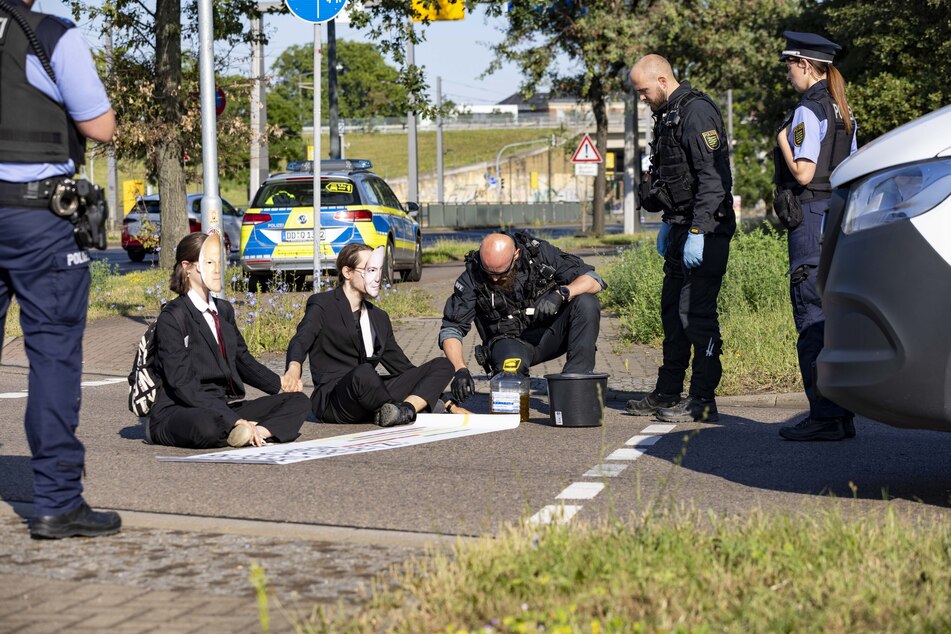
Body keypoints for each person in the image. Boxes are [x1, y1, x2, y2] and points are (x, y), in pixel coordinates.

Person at [0, 0, 119, 539]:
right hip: (36, 218)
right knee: (51, 353)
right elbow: (100, 127)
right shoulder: (50, 34)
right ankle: (56, 501)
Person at [625, 54, 736, 423]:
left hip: (706, 230)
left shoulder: (696, 112)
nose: (641, 98)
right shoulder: (668, 115)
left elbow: (714, 179)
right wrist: (670, 222)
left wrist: (698, 231)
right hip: (680, 225)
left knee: (696, 316)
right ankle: (667, 391)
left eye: (643, 91)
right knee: (673, 315)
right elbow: (674, 178)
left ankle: (703, 399)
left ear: (661, 80)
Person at [148, 233, 310, 448]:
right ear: (187, 267)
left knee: (298, 401)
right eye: (208, 262)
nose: (217, 269)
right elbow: (182, 384)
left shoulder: (223, 310)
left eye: (219, 262)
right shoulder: (173, 317)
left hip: (221, 406)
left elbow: (241, 359)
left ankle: (252, 431)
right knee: (207, 427)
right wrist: (232, 418)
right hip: (180, 408)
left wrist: (278, 383)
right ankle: (237, 427)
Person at [773, 32, 858, 441]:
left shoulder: (808, 109)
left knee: (810, 318)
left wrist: (782, 143)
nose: (787, 72)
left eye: (789, 64)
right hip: (838, 216)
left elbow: (804, 173)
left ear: (805, 65)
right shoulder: (843, 109)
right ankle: (840, 414)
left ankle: (824, 416)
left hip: (809, 219)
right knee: (833, 318)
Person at [282, 243, 456, 426]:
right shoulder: (322, 304)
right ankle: (396, 408)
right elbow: (301, 340)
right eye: (370, 269)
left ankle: (405, 411)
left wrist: (447, 401)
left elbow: (403, 368)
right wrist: (294, 369)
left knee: (443, 365)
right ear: (347, 272)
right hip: (335, 399)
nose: (377, 277)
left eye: (378, 270)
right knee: (364, 373)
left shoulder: (379, 317)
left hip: (371, 391)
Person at [440, 232, 606, 405]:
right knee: (509, 399)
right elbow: (452, 328)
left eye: (501, 272)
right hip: (509, 342)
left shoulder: (540, 254)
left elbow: (594, 281)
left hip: (550, 335)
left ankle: (575, 385)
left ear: (516, 254)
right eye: (489, 272)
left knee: (586, 302)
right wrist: (460, 369)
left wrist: (562, 293)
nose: (494, 278)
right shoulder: (472, 275)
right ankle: (511, 381)